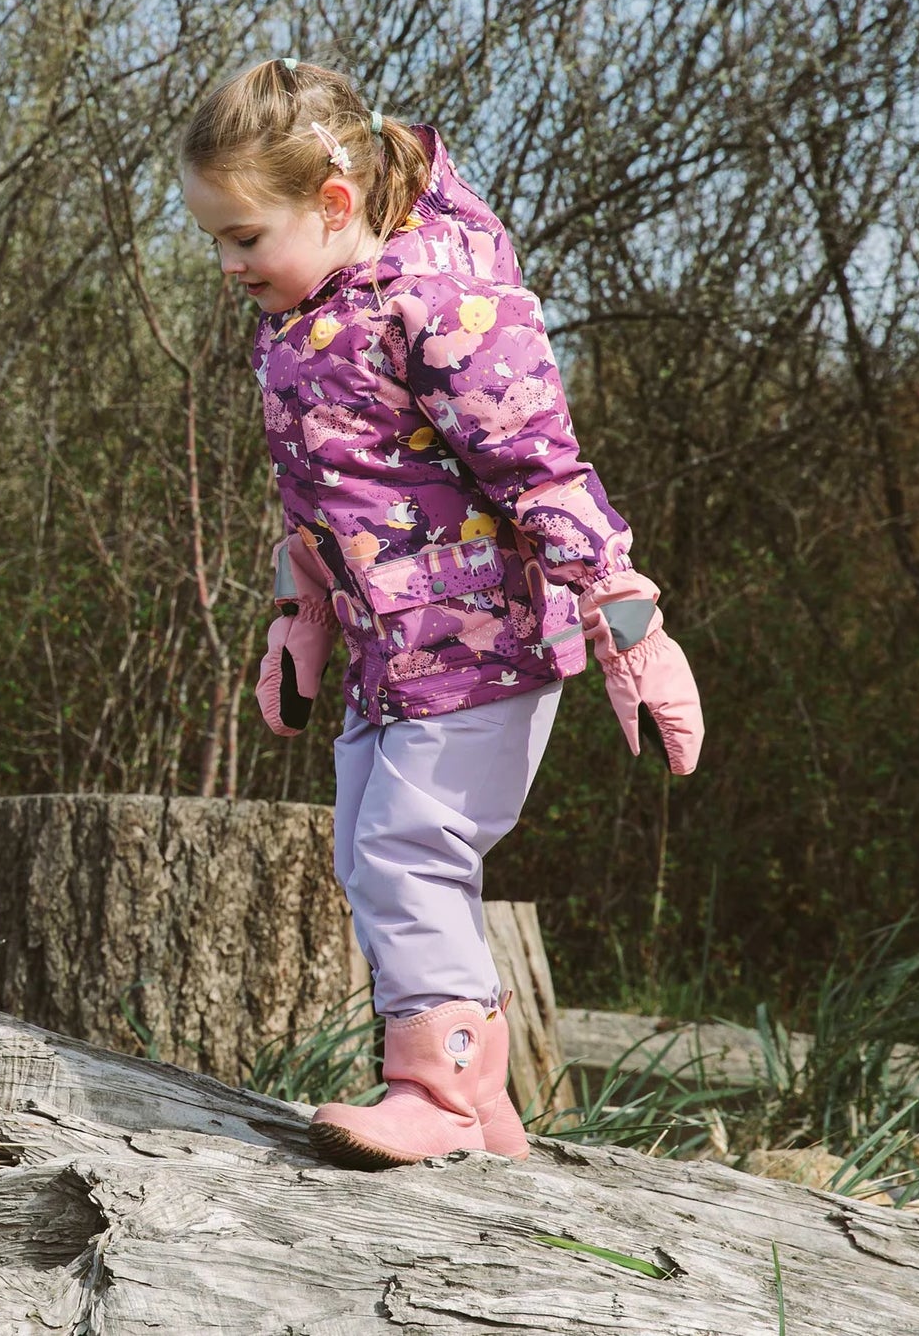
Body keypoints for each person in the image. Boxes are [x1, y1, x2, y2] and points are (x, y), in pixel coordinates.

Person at [179, 58, 703, 1170]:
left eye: (241, 236)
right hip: (390, 650)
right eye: (215, 240)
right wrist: (299, 617)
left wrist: (628, 620)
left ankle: (435, 1092)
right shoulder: (301, 318)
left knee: (410, 849)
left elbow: (541, 467)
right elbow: (320, 496)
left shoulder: (446, 302)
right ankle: (482, 1105)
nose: (226, 264)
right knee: (371, 857)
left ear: (329, 203)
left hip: (482, 644)